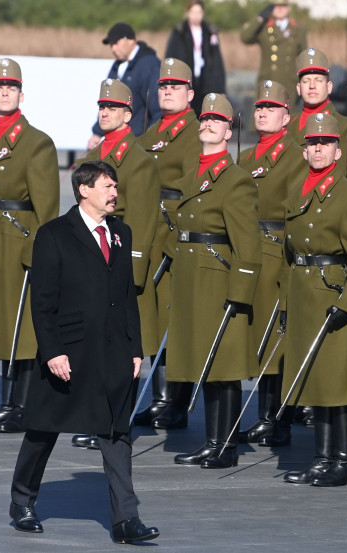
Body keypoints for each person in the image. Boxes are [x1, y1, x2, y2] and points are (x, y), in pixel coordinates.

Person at [8, 161, 159, 544]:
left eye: (115, 186)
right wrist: (53, 351)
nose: (114, 193)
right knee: (44, 429)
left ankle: (126, 519)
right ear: (84, 190)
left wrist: (135, 347)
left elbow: (127, 296)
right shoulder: (54, 234)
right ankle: (22, 501)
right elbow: (41, 303)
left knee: (116, 433)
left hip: (112, 351)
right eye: (107, 186)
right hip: (69, 353)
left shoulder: (121, 233)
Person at [280, 113, 347, 487]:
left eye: (325, 143)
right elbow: (290, 250)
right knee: (315, 381)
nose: (317, 149)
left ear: (338, 151)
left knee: (339, 384)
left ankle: (343, 461)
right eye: (312, 143)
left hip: (334, 296)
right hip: (303, 293)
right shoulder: (297, 188)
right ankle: (322, 457)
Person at [167, 93, 261, 469]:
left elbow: (247, 245)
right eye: (204, 118)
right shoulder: (191, 177)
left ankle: (225, 445)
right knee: (204, 362)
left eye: (216, 120)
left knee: (221, 367)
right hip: (191, 277)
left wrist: (240, 293)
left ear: (227, 130)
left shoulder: (236, 181)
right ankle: (212, 440)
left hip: (218, 279)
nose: (207, 123)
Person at [0, 58, 60, 433]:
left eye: (10, 87)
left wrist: (35, 250)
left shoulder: (36, 142)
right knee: (2, 324)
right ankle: (8, 401)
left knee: (21, 325)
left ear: (22, 95)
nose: (4, 92)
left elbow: (47, 207)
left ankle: (21, 405)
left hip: (18, 238)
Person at [71, 78, 160, 450]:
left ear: (128, 114)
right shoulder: (92, 161)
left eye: (113, 108)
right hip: (92, 261)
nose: (105, 112)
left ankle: (115, 422)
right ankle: (96, 418)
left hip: (119, 262)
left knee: (122, 347)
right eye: (101, 107)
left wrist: (132, 272)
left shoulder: (138, 161)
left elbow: (142, 219)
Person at [130, 58, 203, 431]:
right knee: (155, 316)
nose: (168, 91)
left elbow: (194, 188)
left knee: (175, 315)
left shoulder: (194, 133)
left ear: (190, 94)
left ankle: (174, 400)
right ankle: (159, 397)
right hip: (150, 229)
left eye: (175, 86)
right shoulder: (152, 131)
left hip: (176, 234)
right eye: (163, 87)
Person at [236, 80, 305, 448]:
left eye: (271, 107)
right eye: (259, 107)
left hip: (277, 249)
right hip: (249, 250)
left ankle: (275, 418)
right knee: (254, 335)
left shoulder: (295, 156)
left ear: (286, 116)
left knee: (274, 338)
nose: (262, 112)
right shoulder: (246, 157)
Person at [286, 48, 347, 176]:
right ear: (298, 88)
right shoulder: (286, 125)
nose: (312, 86)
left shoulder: (345, 127)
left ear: (329, 86)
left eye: (318, 80)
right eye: (306, 81)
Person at [89, 22, 161, 148]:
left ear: (130, 40)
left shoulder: (149, 65)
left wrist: (149, 141)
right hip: (115, 141)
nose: (113, 49)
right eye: (111, 45)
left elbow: (157, 108)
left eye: (116, 43)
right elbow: (107, 101)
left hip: (137, 142)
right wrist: (97, 133)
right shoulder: (117, 66)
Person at [164, 0, 225, 114]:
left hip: (206, 81)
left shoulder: (209, 31)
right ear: (187, 13)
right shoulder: (180, 32)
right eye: (193, 12)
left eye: (199, 12)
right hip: (186, 79)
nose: (196, 16)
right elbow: (170, 57)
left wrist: (220, 89)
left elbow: (217, 62)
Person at [240, 0, 305, 99]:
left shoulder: (298, 28)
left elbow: (303, 56)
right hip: (267, 81)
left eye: (283, 6)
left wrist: (303, 81)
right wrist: (260, 18)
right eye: (275, 6)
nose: (279, 9)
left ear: (289, 8)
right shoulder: (264, 27)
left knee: (287, 113)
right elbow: (245, 37)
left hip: (288, 83)